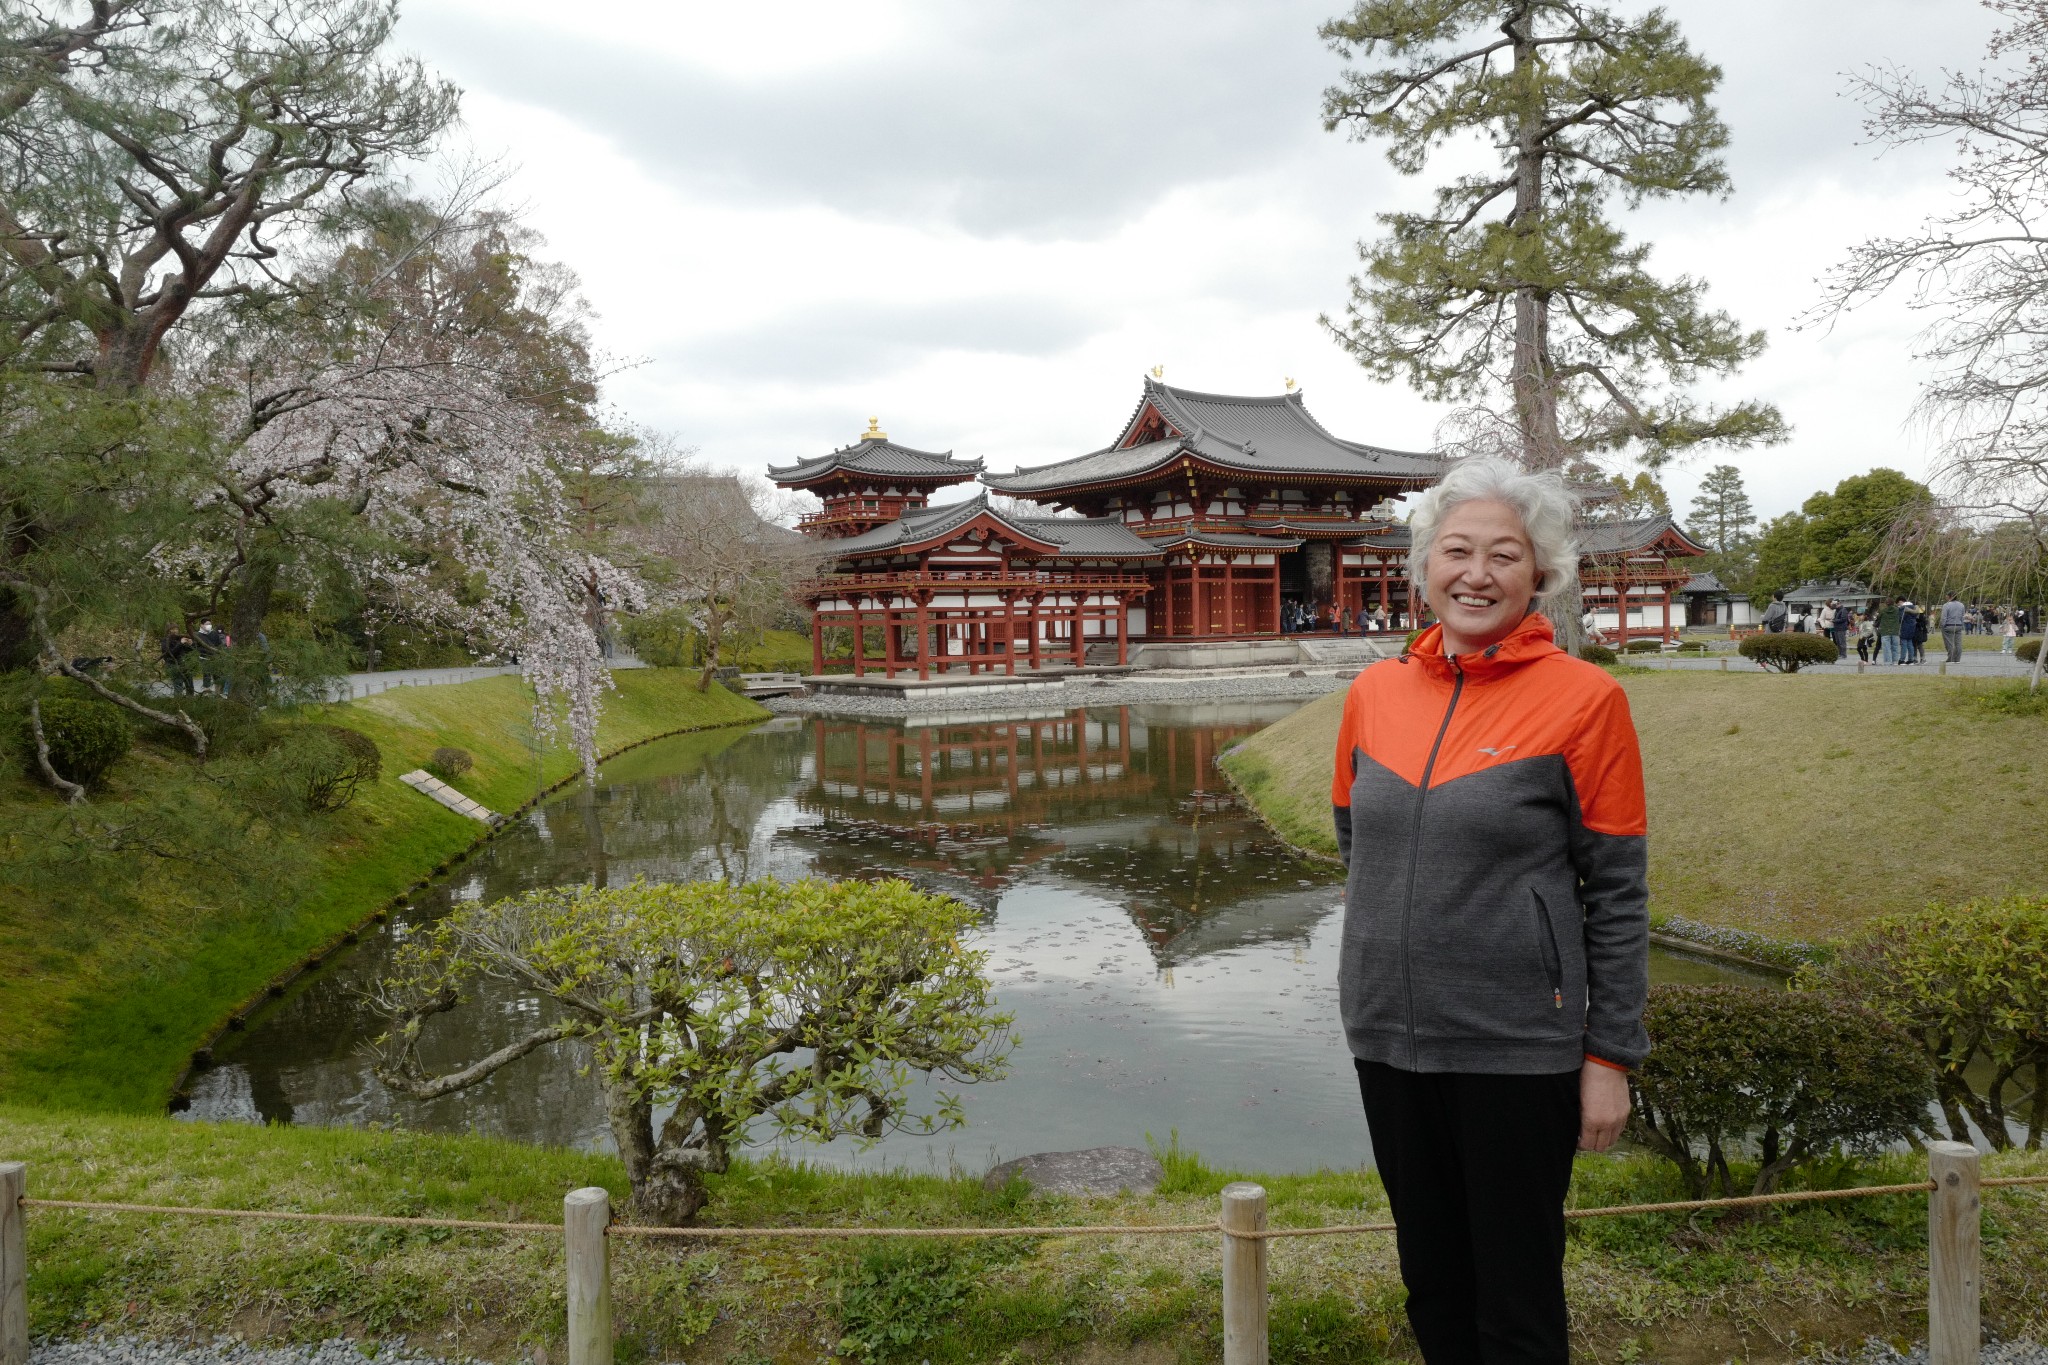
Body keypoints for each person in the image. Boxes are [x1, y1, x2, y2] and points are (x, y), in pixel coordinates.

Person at [1330, 457, 1648, 1365]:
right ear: (1424, 566)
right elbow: (1359, 846)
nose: (1477, 572)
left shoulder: (1588, 701)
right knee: (1432, 1282)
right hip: (1389, 1038)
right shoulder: (1373, 694)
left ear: (1538, 574)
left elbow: (1618, 895)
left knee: (1516, 1303)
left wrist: (1609, 1056)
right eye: (1456, 549)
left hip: (1517, 1046)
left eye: (1503, 554)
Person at [1940, 592, 1966, 664]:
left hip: (1949, 625)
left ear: (1950, 596)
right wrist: (1962, 625)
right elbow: (1963, 616)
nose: (1946, 597)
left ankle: (1950, 658)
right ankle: (1957, 658)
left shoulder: (1946, 605)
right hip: (1958, 625)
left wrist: (1942, 625)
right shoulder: (1961, 605)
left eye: (1947, 596)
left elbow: (1944, 617)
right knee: (1958, 643)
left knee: (1949, 642)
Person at [1877, 598, 1903, 665]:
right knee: (1895, 647)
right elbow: (1900, 618)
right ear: (1893, 603)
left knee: (1886, 648)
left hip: (1885, 631)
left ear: (1886, 604)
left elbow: (1878, 618)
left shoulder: (1883, 611)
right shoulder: (1897, 610)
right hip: (1895, 631)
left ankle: (1888, 662)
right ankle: (1895, 661)